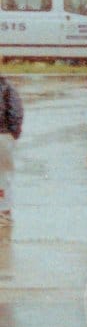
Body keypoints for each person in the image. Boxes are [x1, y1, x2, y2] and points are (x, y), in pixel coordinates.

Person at [0, 55, 17, 224]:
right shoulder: (7, 87)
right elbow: (16, 113)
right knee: (3, 175)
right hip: (3, 136)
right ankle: (4, 210)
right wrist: (12, 134)